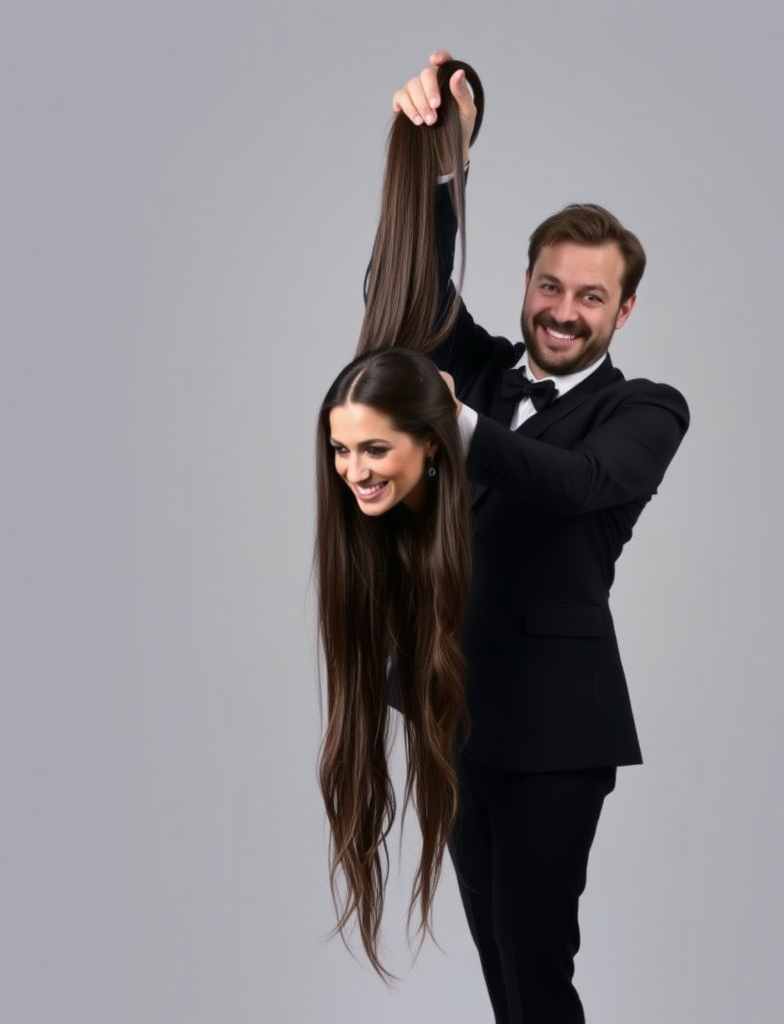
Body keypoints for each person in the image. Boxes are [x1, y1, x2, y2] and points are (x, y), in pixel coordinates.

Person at [389, 52, 691, 1023]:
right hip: (456, 717)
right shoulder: (479, 367)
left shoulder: (644, 410)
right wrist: (445, 165)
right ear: (527, 281)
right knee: (498, 972)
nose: (563, 311)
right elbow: (405, 286)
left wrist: (458, 428)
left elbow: (578, 485)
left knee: (536, 965)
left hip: (557, 735)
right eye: (550, 286)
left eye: (590, 297)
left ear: (624, 309)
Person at [315, 348, 471, 978]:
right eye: (341, 449)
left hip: (537, 752)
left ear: (432, 444)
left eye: (375, 450)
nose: (354, 471)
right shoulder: (376, 539)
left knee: (531, 975)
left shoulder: (485, 527)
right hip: (471, 749)